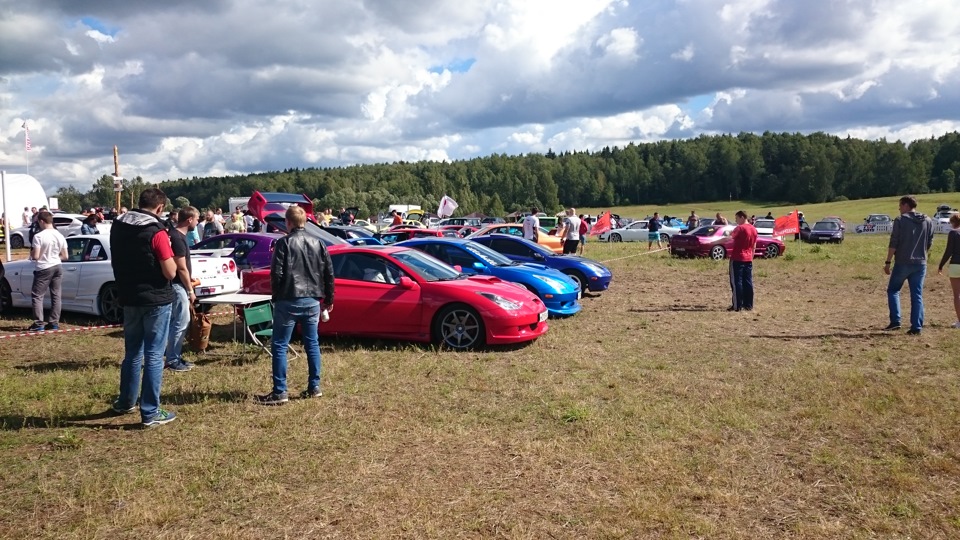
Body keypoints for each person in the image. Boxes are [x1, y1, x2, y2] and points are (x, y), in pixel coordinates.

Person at [110, 188, 179, 428]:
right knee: (153, 355)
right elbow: (170, 271)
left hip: (129, 296)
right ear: (160, 208)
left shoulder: (118, 225)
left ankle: (126, 401)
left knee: (132, 352)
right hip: (155, 298)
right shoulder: (156, 231)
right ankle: (150, 411)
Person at [256, 206, 335, 405]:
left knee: (280, 345)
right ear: (305, 222)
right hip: (312, 300)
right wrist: (329, 300)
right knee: (312, 343)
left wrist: (277, 296)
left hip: (289, 298)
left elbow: (276, 273)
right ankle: (314, 386)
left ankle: (280, 391)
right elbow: (328, 274)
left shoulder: (284, 243)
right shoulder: (318, 242)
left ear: (288, 223)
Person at [885, 196, 934, 334]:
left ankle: (895, 321)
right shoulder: (928, 220)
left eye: (900, 205)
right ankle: (916, 327)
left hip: (903, 261)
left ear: (906, 205)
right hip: (920, 263)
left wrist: (888, 261)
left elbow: (894, 242)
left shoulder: (900, 220)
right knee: (917, 295)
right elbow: (930, 242)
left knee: (893, 290)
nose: (899, 208)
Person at [165, 206, 199, 372]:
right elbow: (181, 267)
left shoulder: (178, 235)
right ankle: (172, 359)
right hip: (178, 285)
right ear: (189, 220)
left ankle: (173, 355)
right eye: (197, 219)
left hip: (179, 284)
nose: (198, 222)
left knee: (175, 322)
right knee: (181, 321)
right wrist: (190, 290)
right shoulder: (177, 238)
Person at [27, 211, 68, 332]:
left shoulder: (39, 236)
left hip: (44, 267)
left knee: (37, 295)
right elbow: (65, 256)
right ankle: (54, 322)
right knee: (56, 295)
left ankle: (39, 323)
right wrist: (54, 257)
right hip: (57, 265)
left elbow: (36, 256)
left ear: (41, 221)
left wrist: (33, 254)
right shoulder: (60, 235)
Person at [728, 210, 758, 312]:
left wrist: (714, 241)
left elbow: (729, 238)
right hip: (748, 258)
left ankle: (737, 305)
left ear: (742, 217)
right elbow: (754, 245)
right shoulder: (753, 229)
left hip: (737, 258)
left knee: (737, 282)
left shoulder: (740, 228)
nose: (736, 221)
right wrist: (751, 257)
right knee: (748, 281)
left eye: (736, 218)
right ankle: (748, 304)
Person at [937, 214, 960, 328]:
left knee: (957, 295)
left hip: (956, 264)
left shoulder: (953, 233)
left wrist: (941, 265)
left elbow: (948, 251)